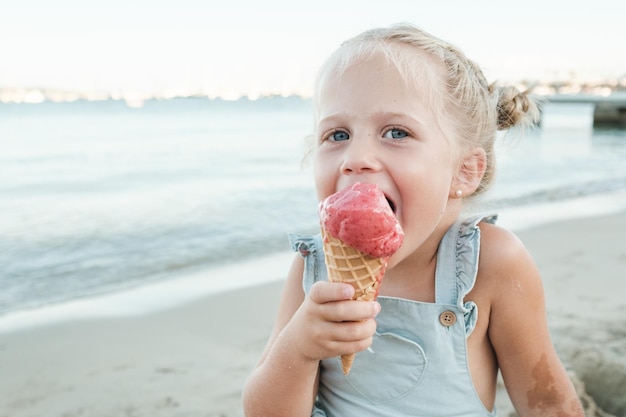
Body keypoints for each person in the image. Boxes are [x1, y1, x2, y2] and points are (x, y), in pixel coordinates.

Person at [242, 23, 584, 417]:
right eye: (337, 135)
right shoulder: (314, 267)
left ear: (464, 172)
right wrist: (299, 347)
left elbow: (548, 403)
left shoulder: (490, 263)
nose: (356, 158)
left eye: (396, 132)